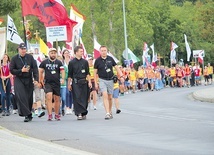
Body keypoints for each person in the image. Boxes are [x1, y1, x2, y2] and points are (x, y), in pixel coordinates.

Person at [10, 43, 39, 122]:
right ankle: (27, 114)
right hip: (19, 79)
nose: (23, 51)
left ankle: (29, 113)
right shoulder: (14, 59)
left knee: (29, 97)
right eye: (21, 49)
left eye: (24, 49)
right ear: (18, 49)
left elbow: (35, 69)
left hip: (28, 79)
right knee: (21, 97)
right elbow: (12, 70)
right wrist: (21, 71)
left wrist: (36, 79)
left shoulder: (30, 57)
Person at [93, 45, 124, 120]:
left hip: (110, 80)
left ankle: (110, 111)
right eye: (102, 51)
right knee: (105, 95)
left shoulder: (110, 59)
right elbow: (94, 73)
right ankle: (107, 112)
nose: (103, 52)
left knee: (110, 97)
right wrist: (95, 82)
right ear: (100, 52)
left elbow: (116, 68)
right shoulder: (97, 61)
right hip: (102, 79)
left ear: (107, 51)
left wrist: (121, 76)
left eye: (105, 50)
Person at [39, 48, 65, 121]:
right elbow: (40, 71)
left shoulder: (59, 62)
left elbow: (62, 71)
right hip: (48, 82)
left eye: (54, 53)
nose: (53, 54)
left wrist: (62, 78)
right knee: (49, 96)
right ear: (49, 54)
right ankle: (50, 114)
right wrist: (40, 80)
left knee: (57, 99)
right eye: (52, 53)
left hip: (56, 83)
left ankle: (56, 114)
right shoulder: (44, 62)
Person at [68, 46, 92, 120]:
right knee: (77, 97)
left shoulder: (85, 62)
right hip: (76, 82)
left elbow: (87, 73)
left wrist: (89, 82)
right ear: (76, 52)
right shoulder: (71, 62)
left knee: (84, 97)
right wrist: (69, 84)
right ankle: (79, 113)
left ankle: (84, 112)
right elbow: (70, 74)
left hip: (84, 81)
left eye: (82, 51)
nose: (82, 53)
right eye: (80, 51)